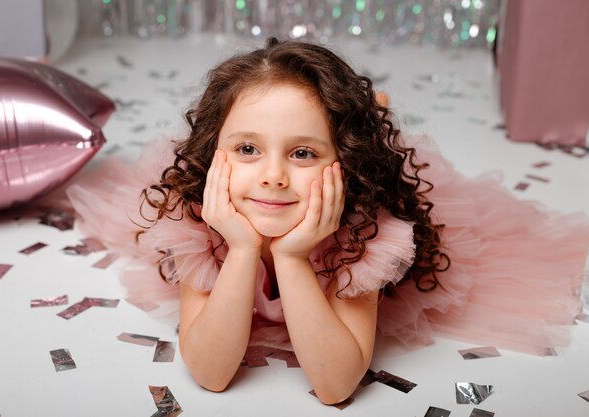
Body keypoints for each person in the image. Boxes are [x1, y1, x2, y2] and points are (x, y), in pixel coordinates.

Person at [66, 38, 589, 405]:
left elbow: (336, 386)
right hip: (236, 212)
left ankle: (364, 120)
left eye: (302, 153)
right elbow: (209, 373)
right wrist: (243, 250)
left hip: (341, 208)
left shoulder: (363, 233)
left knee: (371, 139)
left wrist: (293, 257)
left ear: (343, 163)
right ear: (215, 152)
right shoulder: (200, 223)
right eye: (246, 148)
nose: (271, 177)